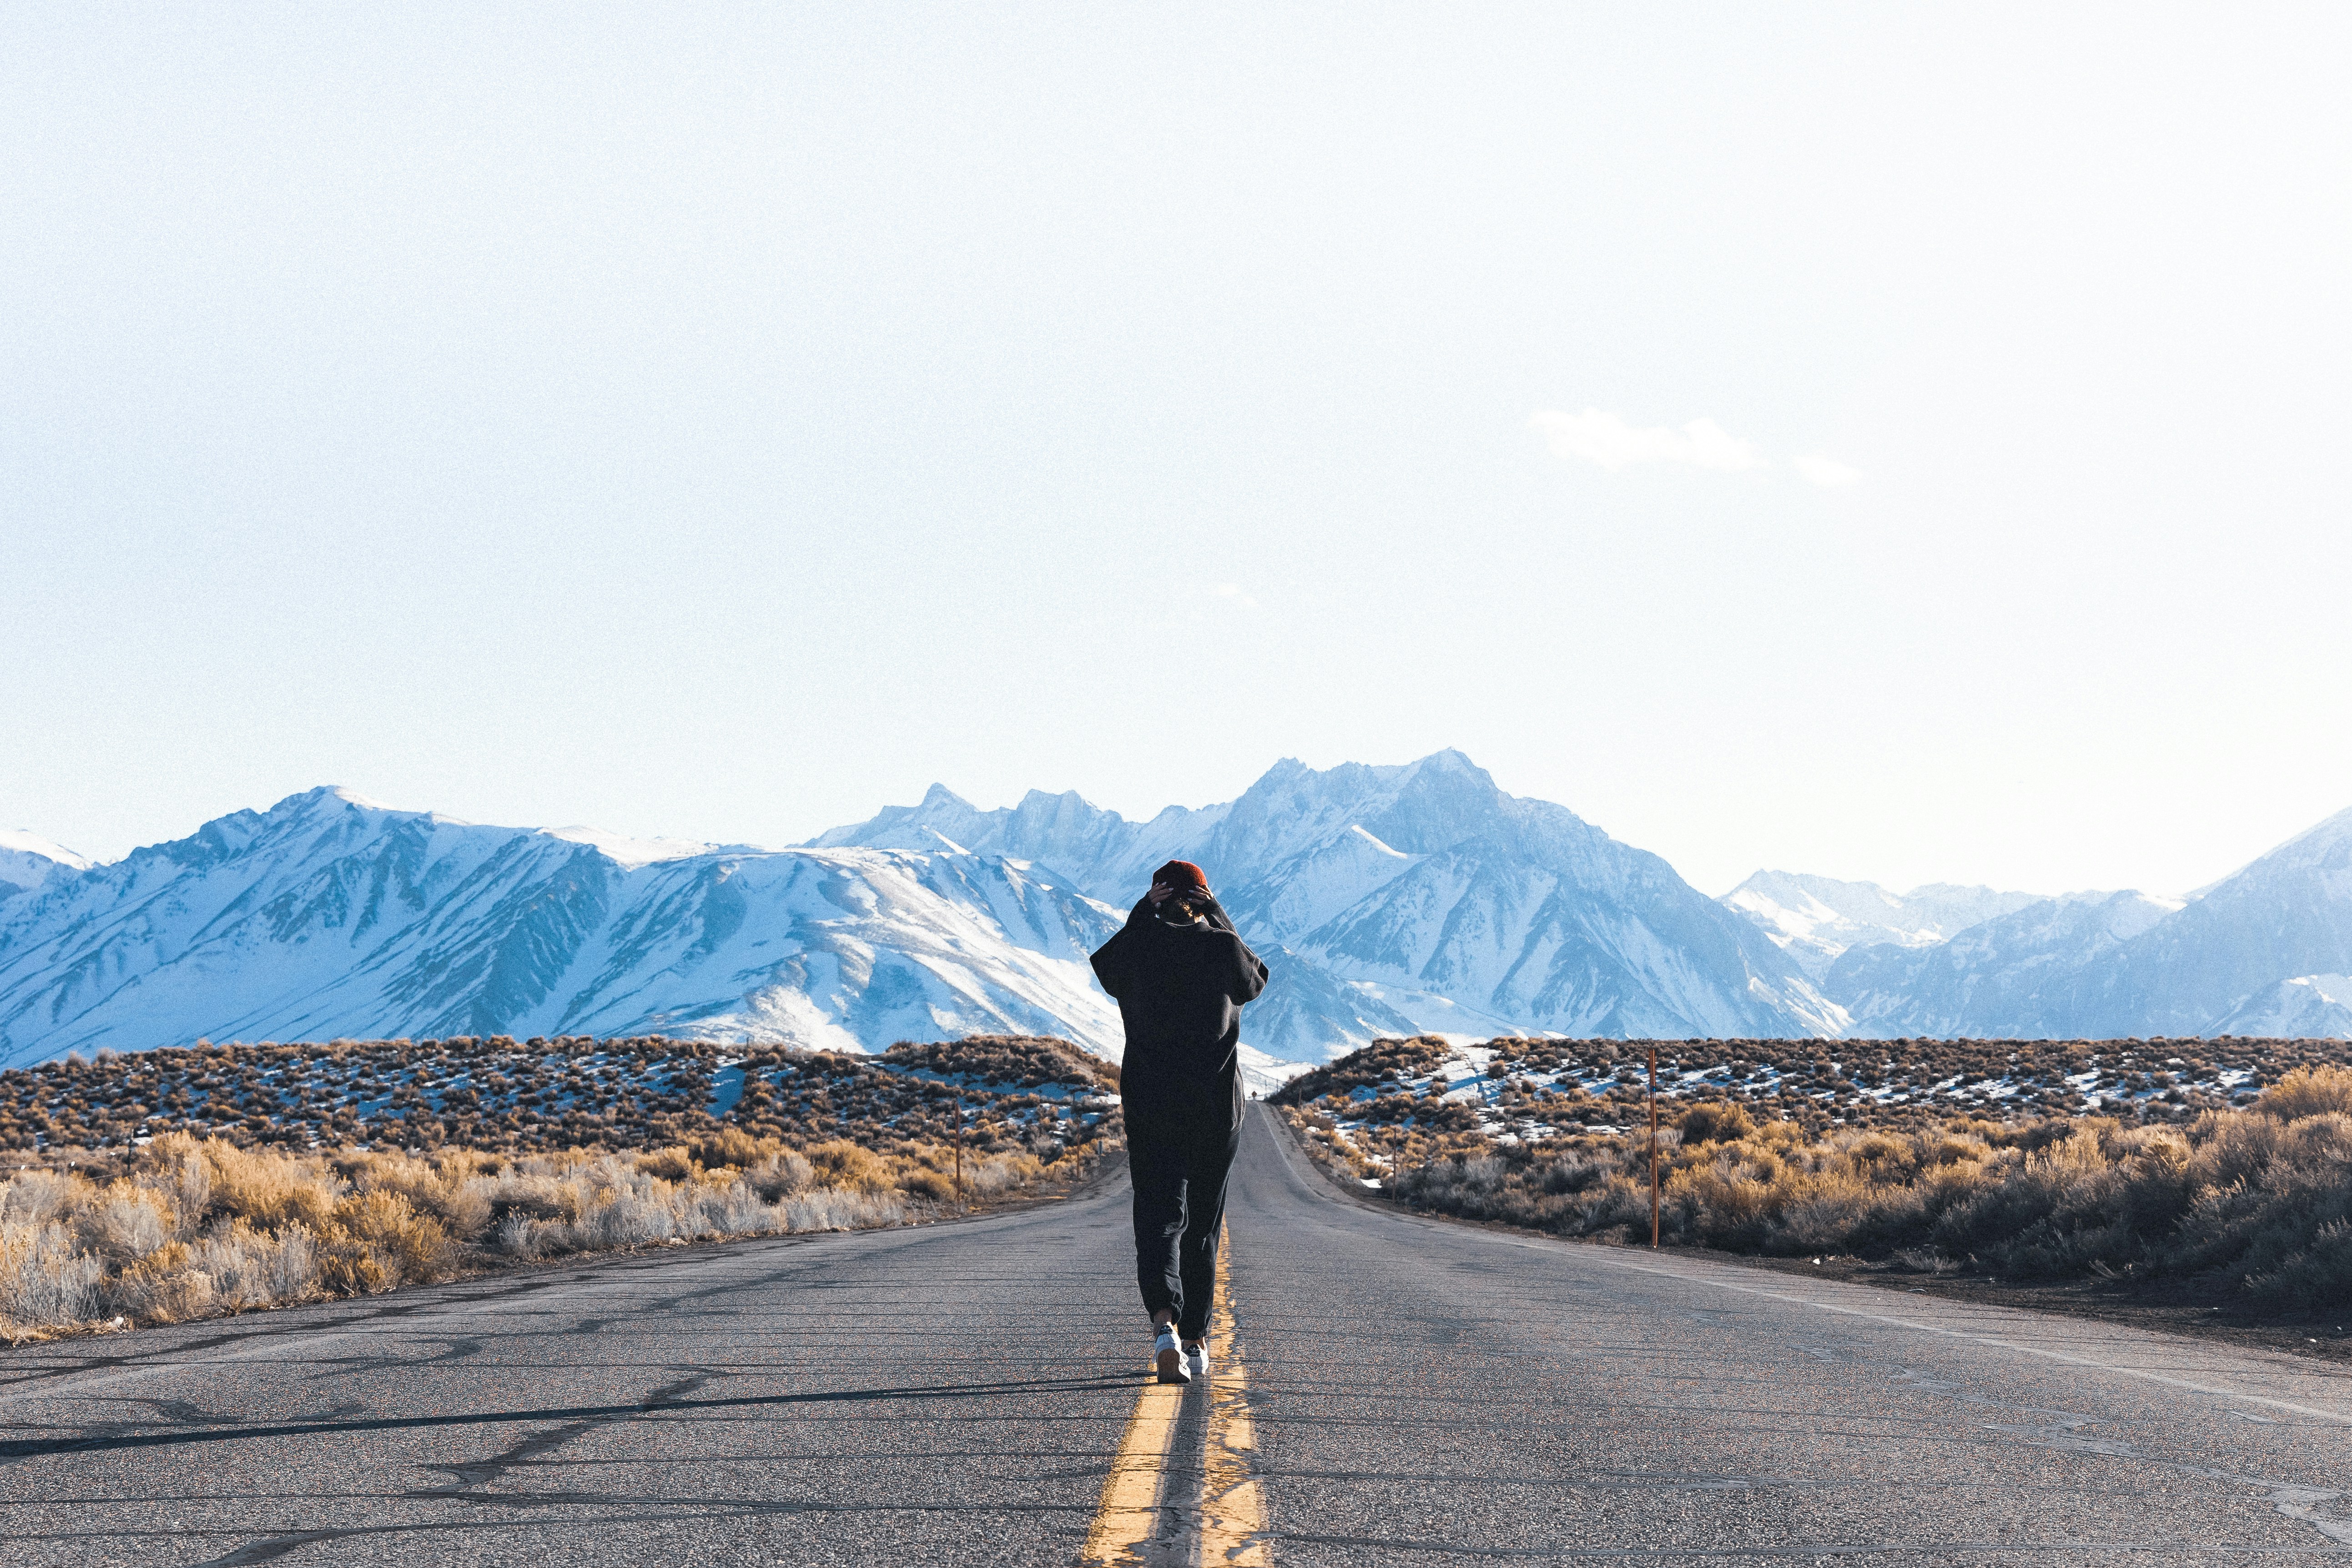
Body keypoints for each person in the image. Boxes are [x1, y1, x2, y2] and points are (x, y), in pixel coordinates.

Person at [1089, 858, 1268, 1384]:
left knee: (1159, 1217)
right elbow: (1253, 980)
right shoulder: (1220, 949)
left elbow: (1107, 969)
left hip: (1150, 1105)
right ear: (1204, 901)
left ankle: (1163, 1326)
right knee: (1203, 1226)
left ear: (1158, 899)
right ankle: (1194, 1341)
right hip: (1213, 1111)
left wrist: (1141, 914)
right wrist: (1222, 916)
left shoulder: (1139, 948)